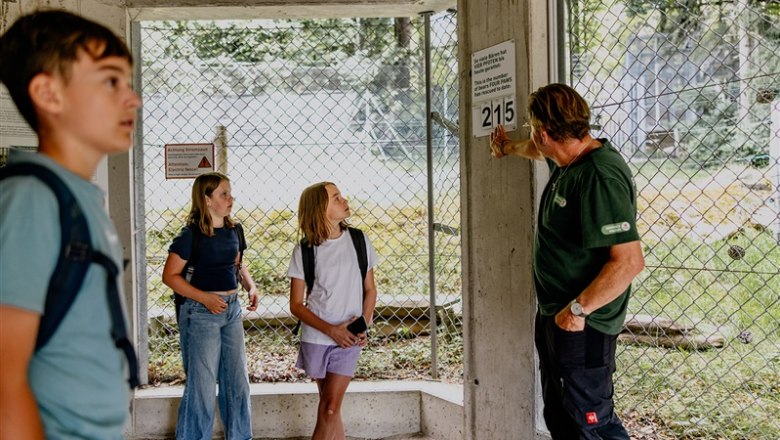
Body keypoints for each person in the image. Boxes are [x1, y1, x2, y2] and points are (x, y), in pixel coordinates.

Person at [0, 10, 142, 439]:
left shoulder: (79, 198)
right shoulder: (31, 198)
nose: (132, 98)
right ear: (49, 94)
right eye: (111, 80)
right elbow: (4, 381)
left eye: (129, 82)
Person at [490, 83, 645, 439]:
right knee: (561, 414)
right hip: (557, 314)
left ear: (545, 132)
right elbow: (535, 149)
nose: (533, 138)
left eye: (532, 128)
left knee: (591, 421)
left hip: (582, 323)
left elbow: (629, 262)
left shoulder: (598, 176)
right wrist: (507, 147)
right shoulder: (567, 156)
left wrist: (577, 311)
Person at [161, 172, 260, 440]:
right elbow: (170, 276)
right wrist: (204, 298)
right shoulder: (190, 235)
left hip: (231, 309)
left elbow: (237, 264)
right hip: (201, 312)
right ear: (206, 200)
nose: (231, 198)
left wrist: (250, 285)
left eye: (230, 192)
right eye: (223, 194)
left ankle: (240, 436)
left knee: (237, 381)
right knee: (202, 385)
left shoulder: (234, 229)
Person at [288, 182, 378, 440]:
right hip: (317, 338)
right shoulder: (304, 251)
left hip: (349, 338)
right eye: (336, 198)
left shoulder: (359, 240)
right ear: (320, 209)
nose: (344, 199)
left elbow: (370, 290)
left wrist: (363, 325)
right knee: (330, 408)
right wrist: (331, 330)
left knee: (328, 409)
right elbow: (295, 305)